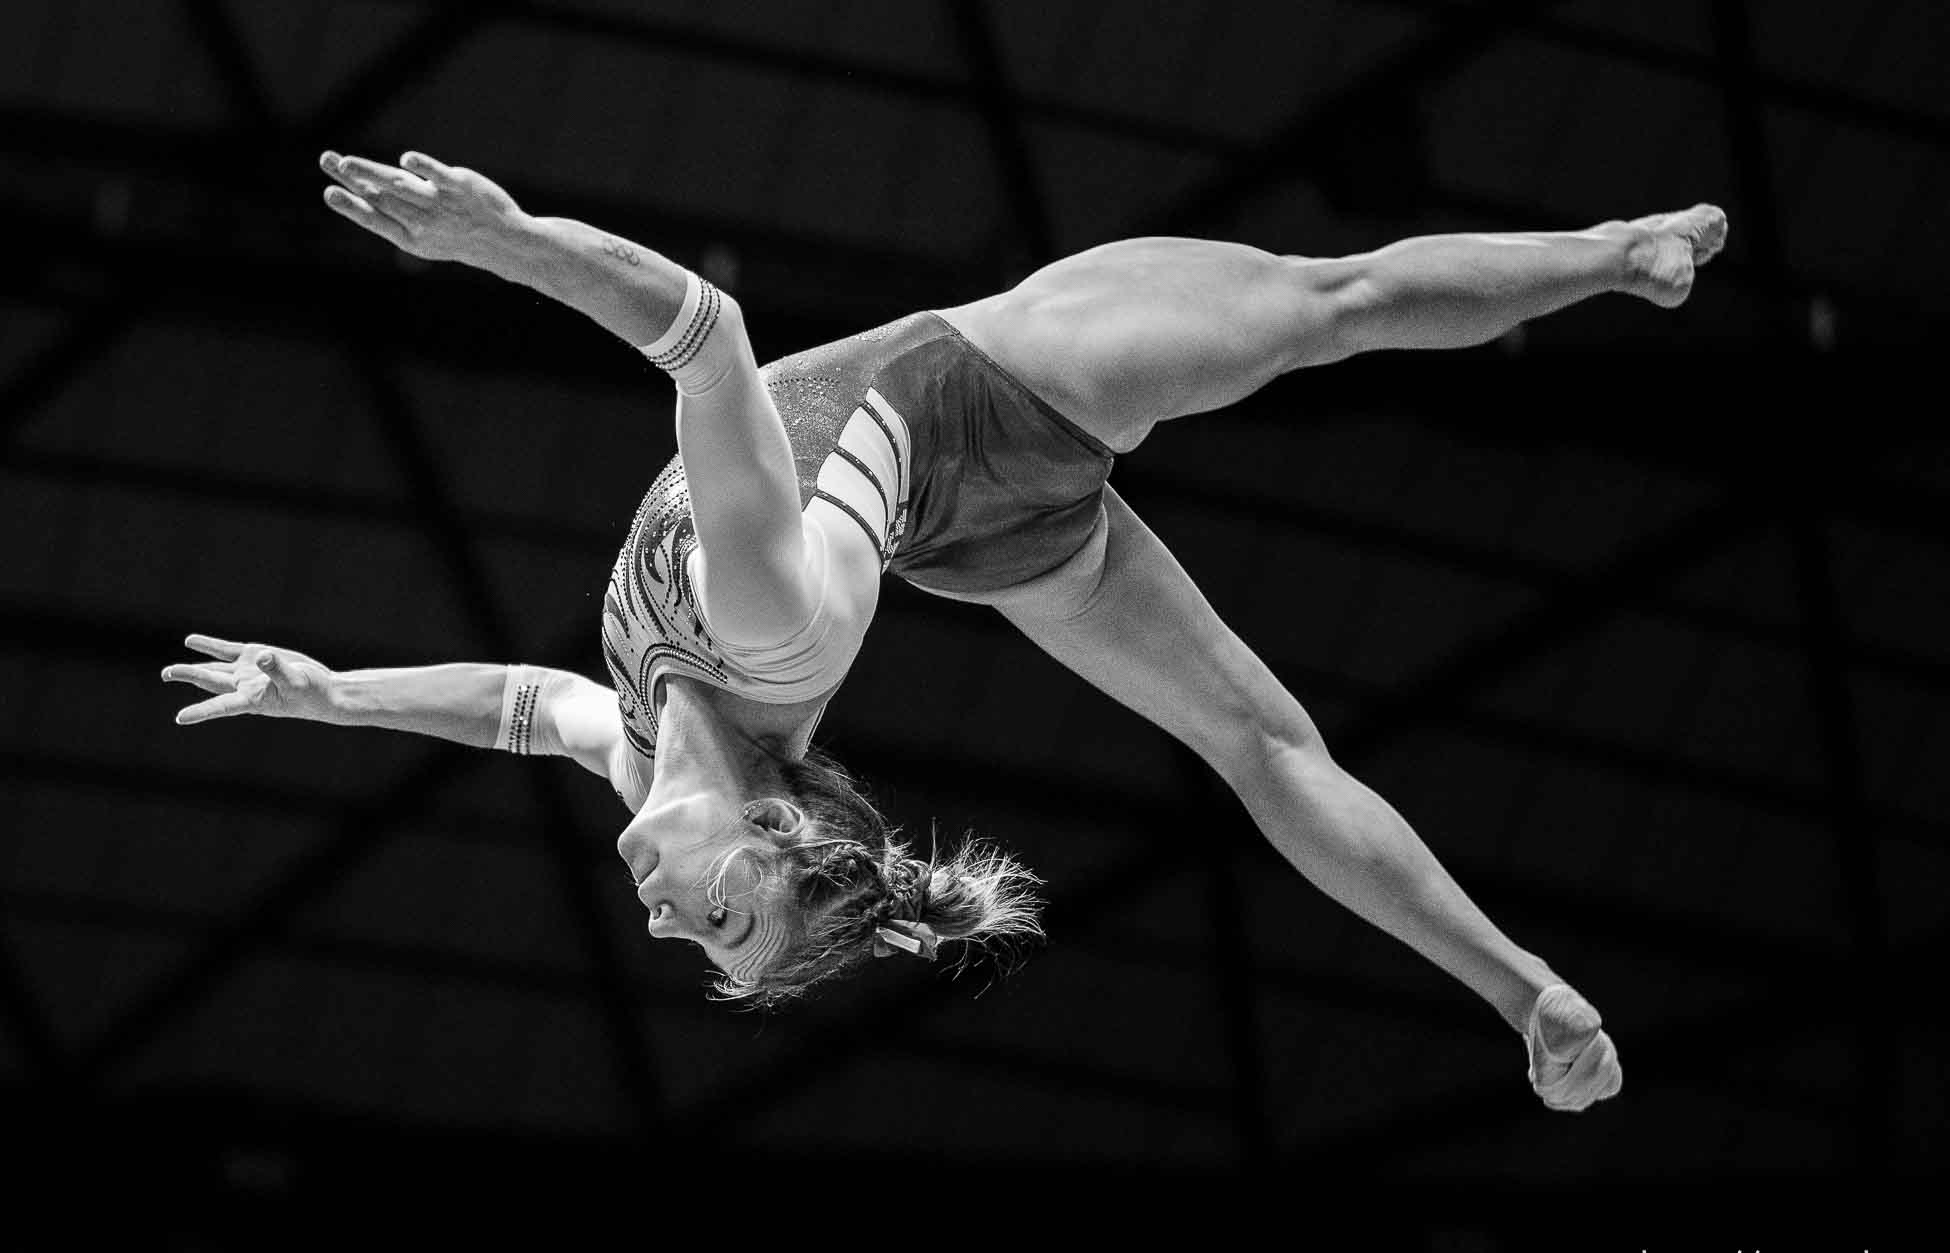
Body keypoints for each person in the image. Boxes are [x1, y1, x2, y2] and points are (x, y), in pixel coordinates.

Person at [164, 145, 1726, 1112]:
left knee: (1270, 649)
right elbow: (704, 337)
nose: (653, 922)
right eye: (718, 920)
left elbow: (520, 705)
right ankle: (1521, 980)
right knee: (1326, 332)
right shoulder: (758, 628)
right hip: (991, 399)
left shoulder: (652, 767)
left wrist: (336, 696)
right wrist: (502, 245)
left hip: (951, 537)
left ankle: (1613, 254)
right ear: (774, 829)